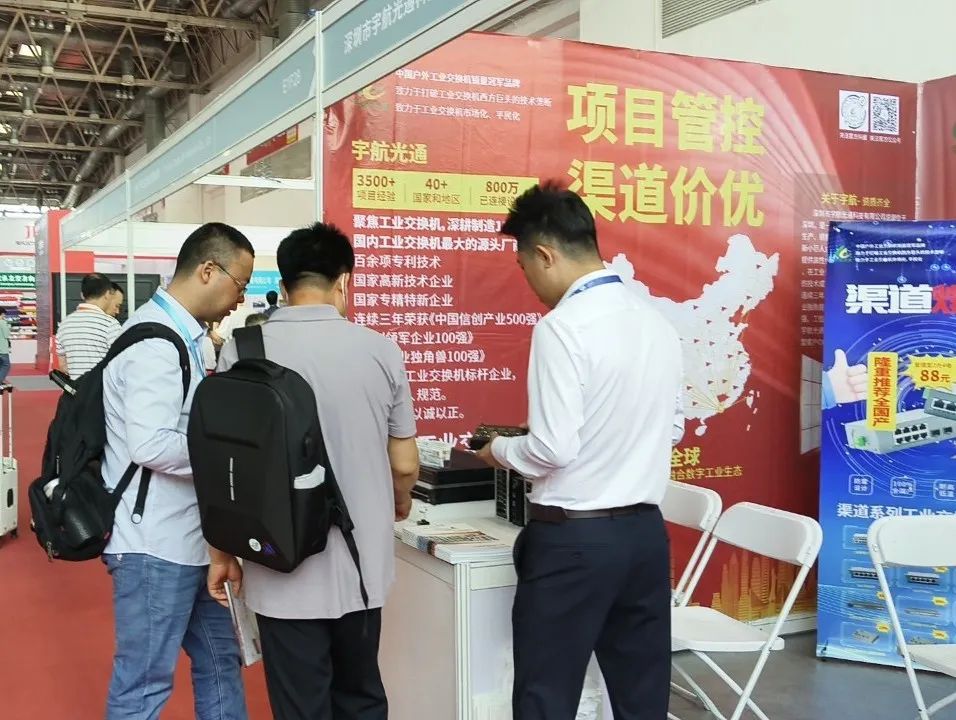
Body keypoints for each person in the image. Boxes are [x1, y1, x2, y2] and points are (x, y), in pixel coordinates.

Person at [476, 182, 684, 720]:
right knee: (641, 696)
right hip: (644, 536)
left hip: (574, 543)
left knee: (546, 695)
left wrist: (499, 449)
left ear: (545, 254)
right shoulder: (656, 321)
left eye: (525, 266)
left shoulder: (562, 327)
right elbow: (672, 427)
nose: (529, 282)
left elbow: (552, 448)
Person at [209, 222, 420, 720]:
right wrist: (399, 500)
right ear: (343, 281)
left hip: (279, 563)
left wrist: (221, 553)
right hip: (362, 564)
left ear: (283, 285)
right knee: (362, 695)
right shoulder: (380, 349)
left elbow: (225, 464)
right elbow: (405, 463)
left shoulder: (244, 348)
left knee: (300, 705)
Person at [100, 222, 255, 720]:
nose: (240, 298)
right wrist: (230, 461)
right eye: (240, 284)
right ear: (208, 270)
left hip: (191, 539)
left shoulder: (186, 339)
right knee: (144, 682)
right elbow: (150, 443)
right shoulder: (156, 343)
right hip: (153, 543)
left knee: (221, 661)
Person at [55, 272, 122, 378]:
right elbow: (121, 363)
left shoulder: (64, 325)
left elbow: (63, 366)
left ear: (82, 295)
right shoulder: (110, 324)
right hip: (101, 387)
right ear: (107, 294)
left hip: (76, 387)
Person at [0, 312, 10, 385]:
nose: (5, 315)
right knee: (6, 365)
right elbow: (6, 335)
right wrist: (8, 326)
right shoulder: (2, 322)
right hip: (2, 348)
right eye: (4, 314)